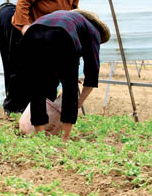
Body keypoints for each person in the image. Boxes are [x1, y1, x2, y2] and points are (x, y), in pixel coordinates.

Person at [0, 0, 83, 114]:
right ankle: (14, 108)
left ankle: (44, 108)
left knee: (48, 72)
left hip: (49, 36)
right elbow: (23, 1)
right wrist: (25, 26)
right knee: (20, 69)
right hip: (28, 30)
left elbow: (72, 13)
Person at [21, 9, 109, 140]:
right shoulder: (93, 30)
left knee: (37, 87)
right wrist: (79, 101)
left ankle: (39, 136)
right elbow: (92, 70)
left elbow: (52, 64)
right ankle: (65, 138)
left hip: (31, 34)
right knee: (70, 89)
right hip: (61, 36)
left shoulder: (69, 18)